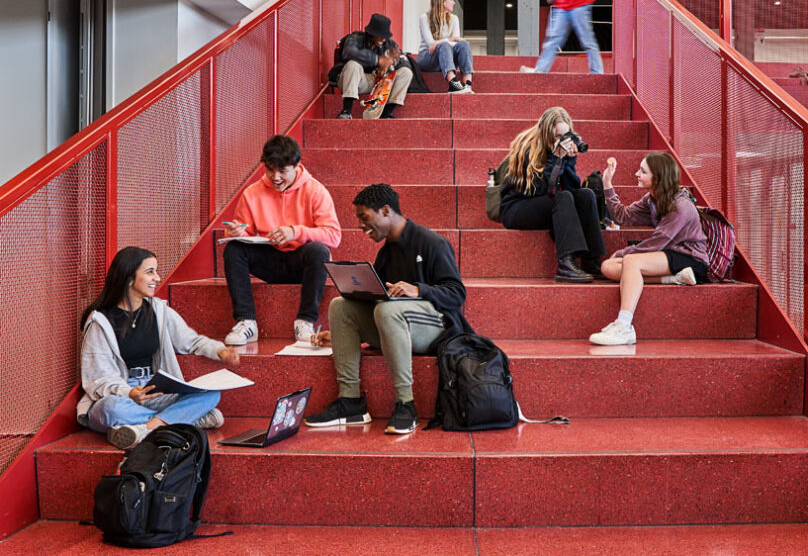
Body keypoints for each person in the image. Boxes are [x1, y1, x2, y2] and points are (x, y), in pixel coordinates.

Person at [304, 182, 468, 436]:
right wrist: (342, 332)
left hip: (437, 329)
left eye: (364, 217)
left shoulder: (432, 243)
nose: (360, 225)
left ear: (385, 210)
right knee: (340, 306)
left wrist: (419, 289)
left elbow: (457, 294)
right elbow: (377, 298)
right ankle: (350, 401)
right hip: (398, 325)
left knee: (387, 311)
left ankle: (406, 404)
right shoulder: (386, 254)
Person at [78, 246, 240, 450]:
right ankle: (183, 419)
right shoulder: (100, 321)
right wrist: (129, 392)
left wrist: (221, 351)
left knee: (211, 394)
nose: (157, 277)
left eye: (156, 271)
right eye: (150, 272)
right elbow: (97, 378)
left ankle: (146, 428)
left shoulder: (159, 310)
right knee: (111, 410)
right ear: (129, 278)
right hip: (121, 394)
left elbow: (191, 341)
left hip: (156, 390)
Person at [223, 134, 341, 347]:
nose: (275, 177)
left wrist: (295, 232)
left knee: (319, 251)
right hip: (269, 262)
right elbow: (244, 230)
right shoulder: (252, 193)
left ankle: (305, 321)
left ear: (296, 166)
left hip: (302, 264)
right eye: (270, 170)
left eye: (282, 171)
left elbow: (334, 235)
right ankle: (246, 322)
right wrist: (235, 232)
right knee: (233, 249)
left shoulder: (315, 191)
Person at [589, 151, 709, 346]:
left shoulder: (681, 206)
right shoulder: (652, 199)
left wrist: (622, 253)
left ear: (658, 177)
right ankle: (673, 279)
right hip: (668, 254)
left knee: (630, 261)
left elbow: (657, 242)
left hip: (690, 258)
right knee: (608, 268)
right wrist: (607, 185)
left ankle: (624, 325)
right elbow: (623, 216)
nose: (637, 174)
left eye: (643, 171)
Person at [498, 106, 605, 283]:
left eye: (566, 135)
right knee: (561, 197)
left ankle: (590, 260)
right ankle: (565, 264)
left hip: (546, 204)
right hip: (518, 207)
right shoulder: (527, 150)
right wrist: (556, 159)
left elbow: (571, 189)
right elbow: (538, 191)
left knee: (585, 195)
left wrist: (567, 161)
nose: (562, 140)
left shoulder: (561, 151)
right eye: (558, 136)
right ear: (546, 134)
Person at [332, 13, 413, 119]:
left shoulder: (389, 44)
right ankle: (346, 111)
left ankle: (387, 113)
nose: (383, 39)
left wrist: (389, 64)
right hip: (358, 82)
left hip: (379, 84)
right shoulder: (356, 38)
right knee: (353, 65)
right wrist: (377, 60)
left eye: (385, 36)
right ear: (371, 33)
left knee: (406, 72)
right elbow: (349, 52)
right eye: (380, 35)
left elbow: (403, 60)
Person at [416, 0, 474, 93]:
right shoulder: (424, 17)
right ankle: (453, 84)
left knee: (464, 44)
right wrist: (449, 39)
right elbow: (430, 44)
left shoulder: (454, 19)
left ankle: (467, 84)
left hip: (447, 59)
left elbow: (457, 43)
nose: (454, 2)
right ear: (443, 2)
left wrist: (444, 41)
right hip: (428, 58)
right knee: (444, 46)